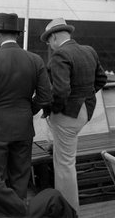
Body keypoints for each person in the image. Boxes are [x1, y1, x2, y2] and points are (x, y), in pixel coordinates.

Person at [0, 12, 52, 200]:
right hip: (23, 128)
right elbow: (45, 95)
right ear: (17, 35)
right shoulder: (35, 60)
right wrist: (28, 110)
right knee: (20, 176)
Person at [40, 17, 107, 215]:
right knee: (66, 158)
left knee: (64, 164)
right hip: (85, 111)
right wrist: (84, 97)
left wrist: (55, 109)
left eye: (48, 41)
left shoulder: (60, 55)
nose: (49, 46)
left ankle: (69, 211)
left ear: (53, 37)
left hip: (67, 114)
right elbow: (101, 79)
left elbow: (60, 91)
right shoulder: (89, 50)